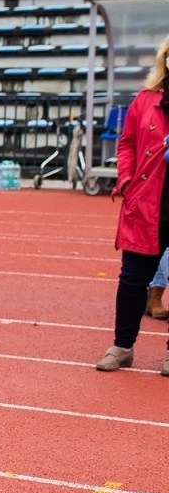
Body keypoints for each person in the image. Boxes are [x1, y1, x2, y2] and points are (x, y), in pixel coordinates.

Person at [96, 39, 168, 373]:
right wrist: (126, 180)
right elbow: (126, 144)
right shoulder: (145, 99)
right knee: (131, 280)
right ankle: (123, 346)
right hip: (147, 202)